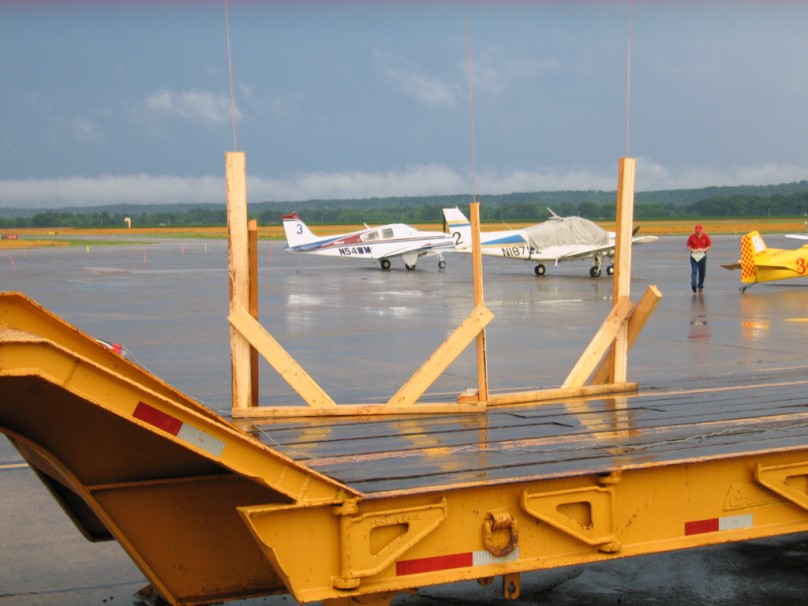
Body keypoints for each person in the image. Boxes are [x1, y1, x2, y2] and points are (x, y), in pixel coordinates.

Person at [686, 224, 712, 293]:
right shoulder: (691, 236)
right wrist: (693, 250)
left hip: (702, 256)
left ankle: (700, 285)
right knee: (694, 271)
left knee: (702, 272)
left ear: (702, 230)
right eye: (697, 231)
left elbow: (710, 245)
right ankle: (693, 285)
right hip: (694, 256)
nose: (698, 232)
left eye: (699, 231)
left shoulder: (705, 236)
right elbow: (688, 246)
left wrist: (704, 249)